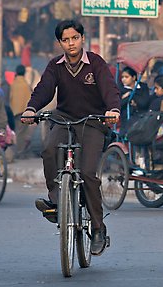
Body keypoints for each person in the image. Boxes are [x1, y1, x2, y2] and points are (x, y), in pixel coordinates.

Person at [20, 19, 120, 256]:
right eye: (66, 40)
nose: (71, 43)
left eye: (75, 38)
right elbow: (44, 88)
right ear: (60, 43)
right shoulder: (55, 65)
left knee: (86, 173)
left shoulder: (95, 63)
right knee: (48, 149)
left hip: (93, 122)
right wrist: (31, 108)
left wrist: (113, 109)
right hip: (64, 118)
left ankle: (98, 229)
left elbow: (109, 89)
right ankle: (56, 200)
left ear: (82, 39)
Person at [9, 64, 35, 160]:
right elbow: (30, 98)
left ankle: (18, 152)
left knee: (18, 132)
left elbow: (10, 98)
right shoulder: (26, 85)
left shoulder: (13, 84)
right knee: (21, 133)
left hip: (15, 112)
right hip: (24, 112)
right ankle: (19, 153)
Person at [119, 65, 150, 134]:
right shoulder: (120, 89)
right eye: (122, 77)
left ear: (133, 77)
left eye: (126, 77)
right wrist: (128, 98)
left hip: (142, 116)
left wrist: (131, 95)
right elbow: (119, 104)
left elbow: (144, 103)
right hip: (127, 118)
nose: (123, 79)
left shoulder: (143, 87)